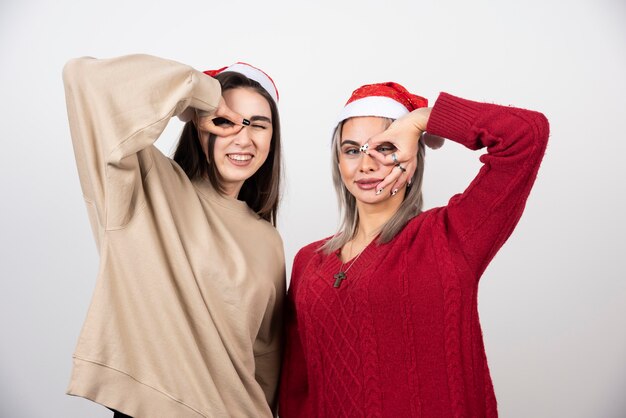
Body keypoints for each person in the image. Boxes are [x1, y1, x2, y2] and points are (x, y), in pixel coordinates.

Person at [278, 82, 549, 417]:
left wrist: (421, 120)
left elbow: (526, 135)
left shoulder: (451, 236)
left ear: (412, 157)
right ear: (338, 162)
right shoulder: (309, 261)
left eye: (386, 148)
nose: (367, 164)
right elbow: (296, 390)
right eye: (352, 150)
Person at [62, 54, 285, 417]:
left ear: (272, 138)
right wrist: (199, 92)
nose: (243, 138)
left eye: (258, 125)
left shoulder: (268, 240)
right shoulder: (148, 185)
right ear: (199, 127)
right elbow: (83, 79)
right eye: (226, 122)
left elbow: (266, 357)